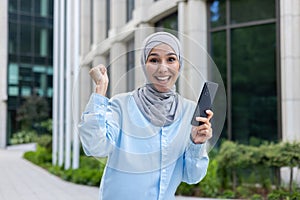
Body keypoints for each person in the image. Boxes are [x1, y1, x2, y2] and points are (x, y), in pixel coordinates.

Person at [78, 31, 214, 200]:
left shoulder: (189, 111)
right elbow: (95, 147)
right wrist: (100, 91)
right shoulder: (120, 105)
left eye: (171, 59)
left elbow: (192, 177)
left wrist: (197, 143)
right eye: (154, 60)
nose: (163, 68)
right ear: (144, 64)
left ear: (180, 64)